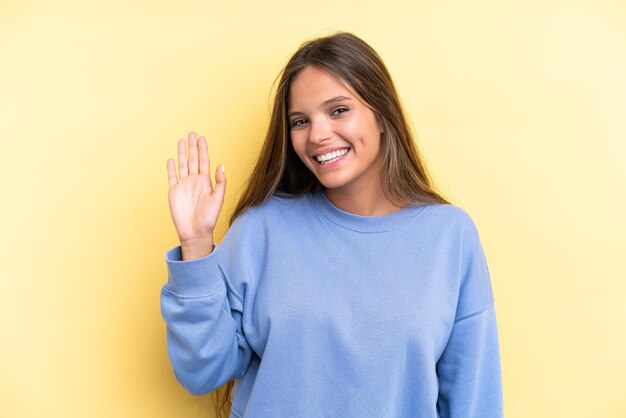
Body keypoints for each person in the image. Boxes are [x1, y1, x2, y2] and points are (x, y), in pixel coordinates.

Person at [160, 32, 503, 418]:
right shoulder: (261, 230)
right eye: (301, 121)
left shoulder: (449, 237)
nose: (318, 135)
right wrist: (196, 244)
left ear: (382, 116)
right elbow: (202, 372)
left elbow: (474, 399)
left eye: (338, 110)